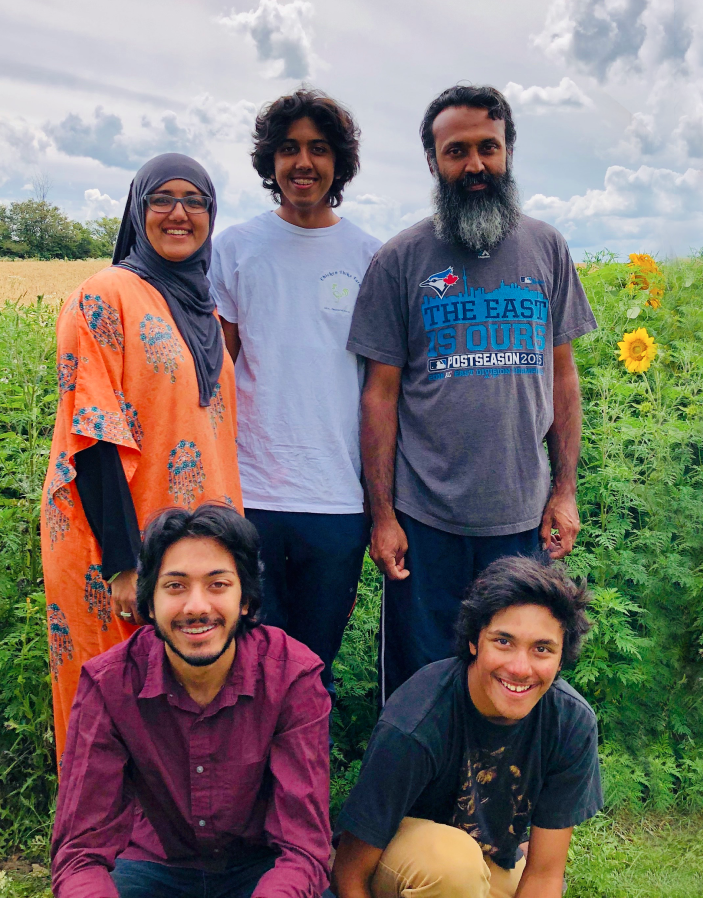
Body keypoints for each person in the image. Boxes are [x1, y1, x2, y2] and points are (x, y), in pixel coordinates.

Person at [346, 85, 598, 701]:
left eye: (489, 147)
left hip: (522, 519)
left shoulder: (546, 248)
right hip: (424, 522)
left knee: (514, 680)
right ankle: (419, 799)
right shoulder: (400, 259)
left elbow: (563, 378)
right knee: (421, 686)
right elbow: (379, 396)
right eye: (456, 151)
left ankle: (498, 797)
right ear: (434, 163)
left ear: (508, 151)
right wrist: (383, 515)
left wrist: (563, 493)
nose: (475, 164)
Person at [41, 154, 242, 759]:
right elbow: (93, 436)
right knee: (112, 702)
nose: (179, 213)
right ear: (138, 209)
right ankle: (97, 846)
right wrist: (125, 564)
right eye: (162, 199)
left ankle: (167, 846)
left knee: (181, 706)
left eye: (196, 201)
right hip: (117, 544)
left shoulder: (202, 307)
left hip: (194, 548)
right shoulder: (104, 296)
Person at [51, 504, 331, 898]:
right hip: (152, 866)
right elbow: (81, 852)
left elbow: (303, 849)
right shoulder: (109, 683)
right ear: (148, 603)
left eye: (218, 585)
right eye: (175, 586)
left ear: (246, 600)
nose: (196, 607)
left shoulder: (292, 678)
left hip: (261, 870)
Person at [209, 89, 381, 701]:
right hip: (250, 491)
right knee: (249, 660)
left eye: (317, 148)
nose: (302, 163)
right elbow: (216, 366)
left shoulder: (369, 255)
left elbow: (382, 385)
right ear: (269, 162)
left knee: (312, 666)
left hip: (337, 496)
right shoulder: (234, 248)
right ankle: (250, 792)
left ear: (339, 163)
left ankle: (303, 792)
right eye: (288, 149)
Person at [332, 556, 602, 898]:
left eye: (542, 649)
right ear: (475, 641)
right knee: (455, 868)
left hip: (487, 862)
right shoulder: (418, 720)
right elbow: (349, 873)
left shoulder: (570, 721)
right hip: (400, 865)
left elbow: (545, 875)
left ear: (562, 658)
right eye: (503, 641)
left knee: (504, 880)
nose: (521, 668)